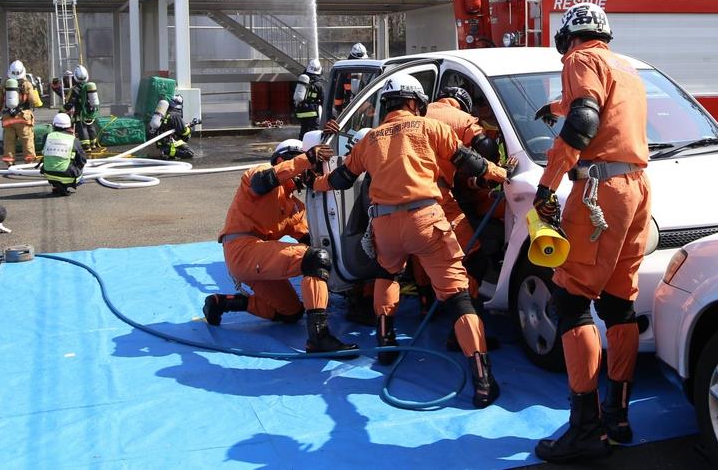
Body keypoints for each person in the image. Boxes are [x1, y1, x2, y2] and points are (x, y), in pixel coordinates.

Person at [314, 73, 513, 409]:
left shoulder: (370, 139)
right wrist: (504, 174)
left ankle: (385, 342)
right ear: (415, 103)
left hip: (386, 225)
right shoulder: (431, 128)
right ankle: (482, 380)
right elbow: (474, 162)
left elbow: (340, 179)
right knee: (458, 296)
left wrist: (314, 182)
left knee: (387, 274)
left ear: (387, 105)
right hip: (426, 219)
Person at [531, 2, 651, 463]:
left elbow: (584, 120)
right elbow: (600, 105)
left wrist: (547, 185)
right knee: (620, 303)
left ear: (568, 37)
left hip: (600, 189)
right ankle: (618, 417)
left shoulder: (578, 59)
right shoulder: (626, 67)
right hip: (637, 188)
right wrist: (557, 105)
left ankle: (585, 430)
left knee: (571, 298)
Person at [202, 138, 358, 356]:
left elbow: (308, 240)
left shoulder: (294, 205)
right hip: (242, 249)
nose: (306, 169)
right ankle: (318, 338)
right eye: (299, 161)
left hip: (259, 258)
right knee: (315, 259)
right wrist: (308, 158)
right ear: (281, 160)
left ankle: (223, 303)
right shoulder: (260, 172)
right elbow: (263, 181)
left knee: (290, 313)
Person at [418, 86, 503, 314]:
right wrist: (495, 171)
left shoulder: (417, 115)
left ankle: (427, 307)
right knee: (474, 258)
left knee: (417, 256)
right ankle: (466, 319)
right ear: (462, 104)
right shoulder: (461, 119)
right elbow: (485, 146)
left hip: (398, 205)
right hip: (436, 199)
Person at [0, 59, 43, 164]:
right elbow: (35, 102)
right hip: (23, 118)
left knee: (9, 142)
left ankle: (9, 162)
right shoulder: (27, 84)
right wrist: (34, 90)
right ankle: (29, 162)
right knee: (27, 140)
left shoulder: (4, 85)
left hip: (8, 118)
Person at [41, 112, 88, 196]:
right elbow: (82, 159)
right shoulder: (73, 139)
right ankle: (66, 185)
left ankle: (56, 185)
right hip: (67, 175)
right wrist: (78, 167)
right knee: (80, 171)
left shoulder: (47, 136)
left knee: (55, 162)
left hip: (48, 173)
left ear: (54, 124)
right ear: (69, 126)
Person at [63, 65, 100, 151]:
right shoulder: (90, 87)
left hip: (80, 112)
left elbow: (70, 103)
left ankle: (86, 146)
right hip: (90, 112)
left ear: (75, 77)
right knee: (90, 127)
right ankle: (93, 144)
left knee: (82, 128)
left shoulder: (75, 89)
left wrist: (61, 111)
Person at [151, 94, 197, 160]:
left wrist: (189, 124)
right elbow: (183, 131)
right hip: (168, 141)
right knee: (189, 153)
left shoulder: (166, 112)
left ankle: (169, 153)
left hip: (161, 140)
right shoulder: (175, 115)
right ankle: (167, 151)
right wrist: (192, 129)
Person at [331, 44, 370, 114]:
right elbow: (339, 92)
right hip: (362, 108)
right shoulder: (368, 70)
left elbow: (339, 92)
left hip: (350, 108)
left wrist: (338, 110)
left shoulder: (345, 70)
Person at [292, 59, 324, 138]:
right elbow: (324, 100)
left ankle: (301, 147)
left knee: (303, 131)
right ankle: (310, 147)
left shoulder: (302, 82)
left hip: (301, 112)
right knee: (313, 134)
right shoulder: (319, 85)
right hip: (313, 113)